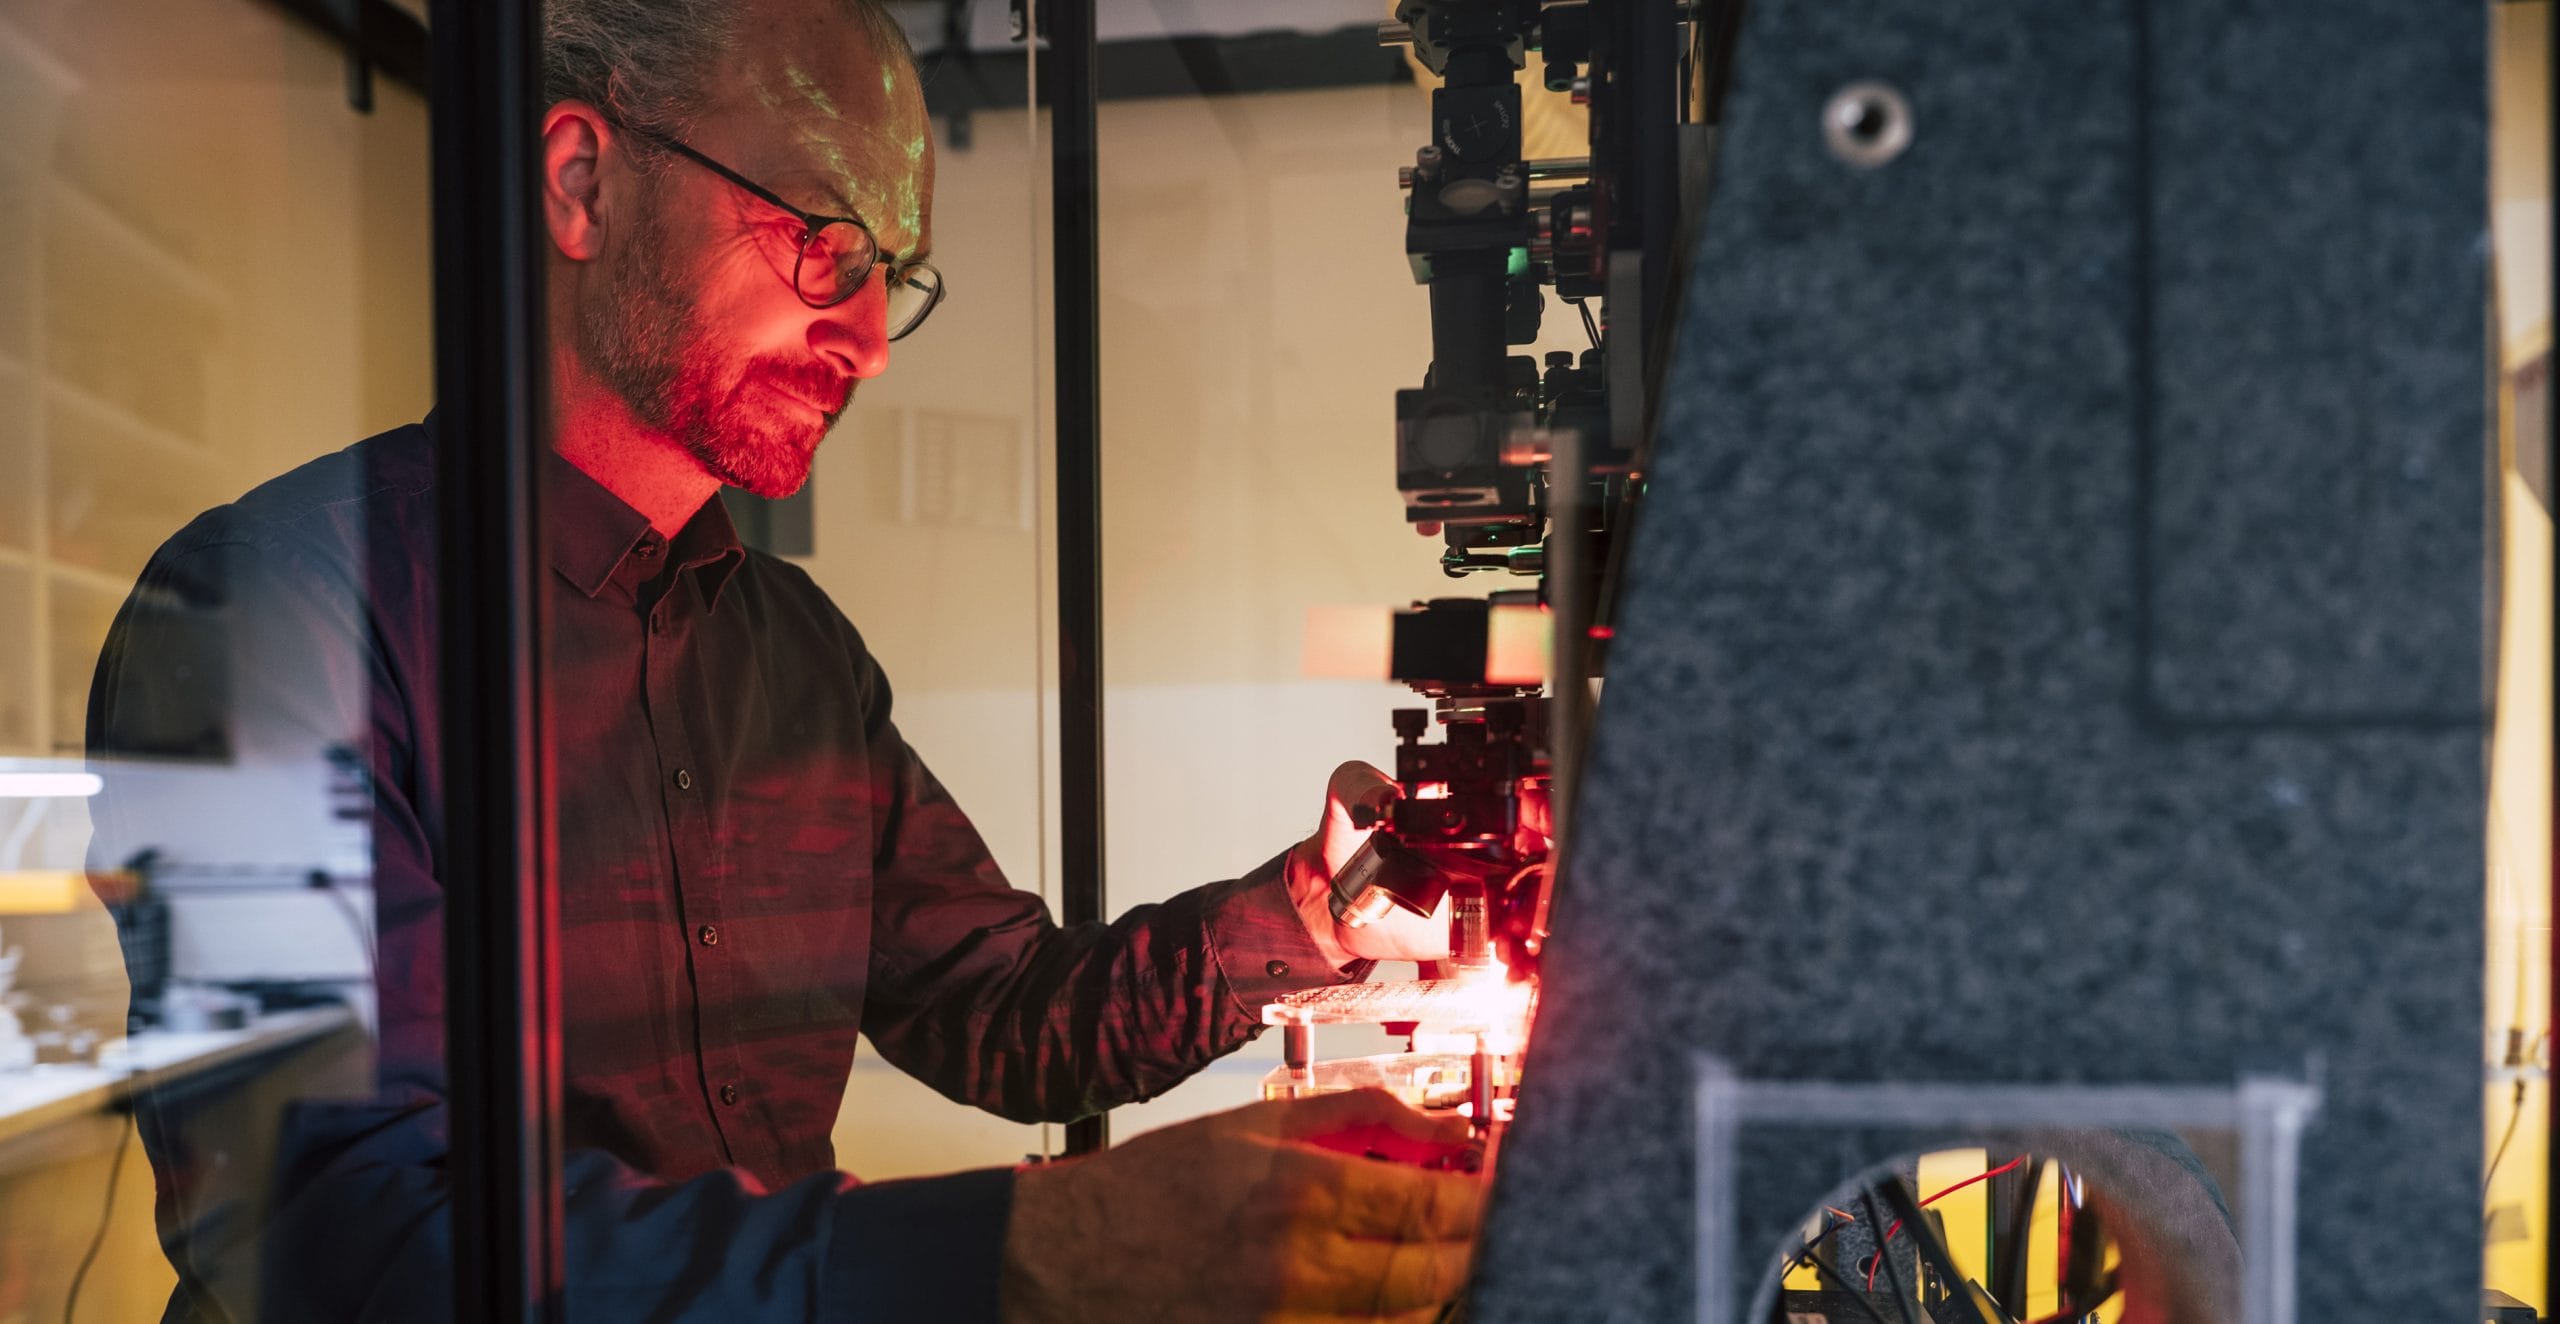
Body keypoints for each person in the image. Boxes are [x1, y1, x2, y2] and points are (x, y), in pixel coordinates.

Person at [83, 0, 1489, 1318]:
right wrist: (1040, 1248)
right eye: (827, 242)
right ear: (580, 185)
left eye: (894, 276)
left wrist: (1314, 911)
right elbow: (334, 1235)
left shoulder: (797, 654)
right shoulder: (270, 612)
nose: (872, 344)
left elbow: (1002, 1010)